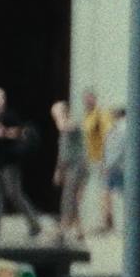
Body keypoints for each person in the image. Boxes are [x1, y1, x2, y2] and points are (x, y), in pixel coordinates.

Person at [0, 88, 42, 238]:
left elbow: (19, 132)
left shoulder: (10, 115)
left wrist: (2, 132)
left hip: (10, 162)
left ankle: (34, 224)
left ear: (2, 100)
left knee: (14, 194)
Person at [50, 100, 87, 241]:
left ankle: (63, 229)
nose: (54, 117)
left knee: (68, 198)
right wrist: (58, 170)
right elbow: (62, 152)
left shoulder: (71, 124)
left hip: (77, 167)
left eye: (56, 113)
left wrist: (60, 118)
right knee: (70, 198)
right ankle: (79, 231)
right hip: (68, 167)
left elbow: (67, 127)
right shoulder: (63, 129)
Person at [100, 108, 129, 232]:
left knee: (118, 195)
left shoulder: (122, 128)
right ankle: (109, 223)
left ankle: (117, 224)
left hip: (116, 167)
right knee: (108, 194)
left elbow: (118, 149)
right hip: (114, 166)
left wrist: (108, 164)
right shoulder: (115, 127)